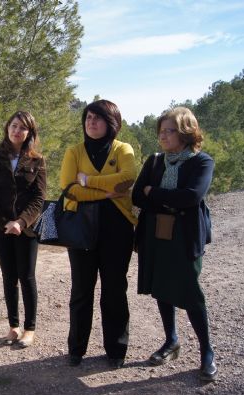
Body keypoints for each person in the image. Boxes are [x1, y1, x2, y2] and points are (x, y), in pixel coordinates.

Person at [132, 107, 217, 381]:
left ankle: (207, 352)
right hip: (155, 232)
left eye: (169, 131)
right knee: (161, 287)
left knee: (190, 291)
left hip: (185, 234)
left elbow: (191, 197)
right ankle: (171, 341)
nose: (163, 137)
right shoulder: (155, 161)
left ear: (185, 132)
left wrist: (154, 193)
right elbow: (136, 196)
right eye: (161, 131)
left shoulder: (201, 162)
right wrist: (166, 197)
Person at [59, 99, 137, 368]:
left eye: (98, 118)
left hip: (118, 228)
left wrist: (88, 181)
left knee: (115, 289)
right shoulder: (74, 151)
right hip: (82, 227)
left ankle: (116, 350)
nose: (91, 122)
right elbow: (69, 188)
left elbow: (128, 178)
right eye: (88, 117)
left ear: (111, 122)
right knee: (82, 289)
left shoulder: (122, 149)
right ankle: (76, 349)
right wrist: (108, 191)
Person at [0, 111, 46, 348]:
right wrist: (4, 223)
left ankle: (30, 329)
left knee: (27, 277)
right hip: (0, 228)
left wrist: (21, 222)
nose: (17, 131)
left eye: (22, 128)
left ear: (29, 133)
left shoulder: (37, 161)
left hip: (26, 229)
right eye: (14, 126)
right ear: (7, 127)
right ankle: (13, 327)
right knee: (9, 277)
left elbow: (39, 198)